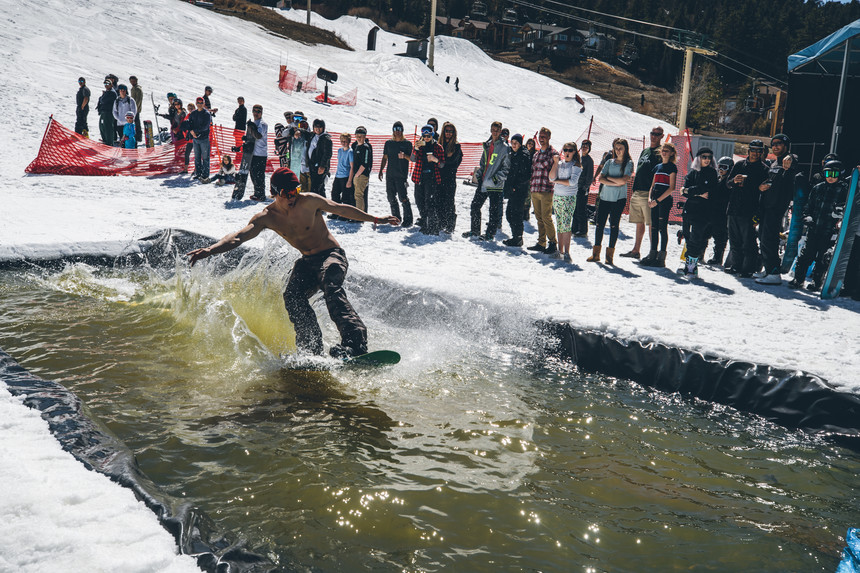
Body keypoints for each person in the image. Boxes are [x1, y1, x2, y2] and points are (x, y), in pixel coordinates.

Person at [187, 167, 401, 359]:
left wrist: (376, 219)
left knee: (331, 284)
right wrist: (210, 250)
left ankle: (355, 343)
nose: (293, 197)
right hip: (307, 261)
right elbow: (238, 237)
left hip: (331, 255)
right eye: (287, 193)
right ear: (274, 193)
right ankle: (311, 348)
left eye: (296, 191)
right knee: (292, 296)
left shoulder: (309, 201)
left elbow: (341, 208)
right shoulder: (266, 217)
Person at [788, 160, 850, 291]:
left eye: (834, 174)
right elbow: (808, 206)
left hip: (830, 231)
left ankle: (817, 282)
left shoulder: (844, 190)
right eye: (828, 173)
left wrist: (840, 221)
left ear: (839, 174)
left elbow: (847, 210)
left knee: (823, 257)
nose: (830, 177)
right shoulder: (818, 188)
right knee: (806, 255)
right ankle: (798, 279)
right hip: (814, 227)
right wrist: (807, 217)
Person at [755, 133, 797, 285]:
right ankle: (769, 268)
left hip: (776, 207)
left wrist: (791, 157)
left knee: (769, 238)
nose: (775, 146)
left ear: (786, 146)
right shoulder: (774, 163)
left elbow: (794, 161)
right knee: (763, 236)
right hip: (766, 206)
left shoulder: (788, 160)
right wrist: (761, 187)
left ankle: (774, 273)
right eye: (773, 144)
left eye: (779, 143)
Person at [725, 139, 769, 277]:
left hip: (749, 211)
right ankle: (736, 265)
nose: (755, 153)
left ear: (762, 153)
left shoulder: (764, 170)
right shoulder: (739, 164)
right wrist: (734, 181)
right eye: (753, 150)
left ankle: (748, 269)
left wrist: (758, 214)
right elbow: (728, 184)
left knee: (748, 242)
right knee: (734, 240)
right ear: (748, 151)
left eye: (759, 151)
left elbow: (765, 195)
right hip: (734, 208)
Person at [621, 126, 664, 259]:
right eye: (652, 133)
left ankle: (653, 252)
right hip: (637, 190)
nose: (654, 136)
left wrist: (654, 192)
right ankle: (636, 250)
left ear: (662, 136)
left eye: (657, 134)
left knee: (651, 224)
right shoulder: (645, 151)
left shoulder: (660, 152)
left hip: (648, 192)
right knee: (639, 222)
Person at [588, 138, 633, 264]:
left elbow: (624, 180)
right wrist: (615, 182)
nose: (618, 151)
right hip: (605, 197)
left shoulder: (628, 163)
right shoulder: (609, 162)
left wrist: (609, 179)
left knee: (614, 225)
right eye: (616, 148)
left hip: (618, 199)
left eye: (621, 148)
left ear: (625, 149)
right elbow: (601, 179)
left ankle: (609, 256)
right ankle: (596, 254)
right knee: (599, 225)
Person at [464, 121, 510, 241]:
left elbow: (506, 168)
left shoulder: (504, 148)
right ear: (490, 130)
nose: (495, 132)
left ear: (500, 131)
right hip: (484, 182)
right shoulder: (488, 145)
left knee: (493, 210)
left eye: (497, 130)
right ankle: (475, 230)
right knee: (475, 205)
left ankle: (490, 234)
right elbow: (483, 162)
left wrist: (495, 179)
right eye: (493, 130)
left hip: (495, 184)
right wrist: (479, 175)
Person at [677, 147, 718, 277]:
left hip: (702, 213)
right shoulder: (693, 172)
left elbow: (704, 189)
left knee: (696, 240)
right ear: (698, 158)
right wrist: (692, 192)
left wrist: (689, 191)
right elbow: (683, 190)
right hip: (689, 210)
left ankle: (692, 268)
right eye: (704, 157)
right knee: (687, 238)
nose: (707, 159)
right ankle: (688, 266)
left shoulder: (712, 173)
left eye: (709, 157)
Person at [640, 142, 677, 267]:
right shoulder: (657, 167)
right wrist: (650, 198)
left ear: (671, 153)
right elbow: (652, 185)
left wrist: (658, 200)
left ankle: (661, 258)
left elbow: (671, 188)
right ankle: (652, 254)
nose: (664, 153)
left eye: (667, 151)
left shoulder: (672, 167)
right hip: (654, 200)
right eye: (663, 150)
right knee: (654, 227)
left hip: (664, 201)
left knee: (662, 228)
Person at [528, 127, 559, 255]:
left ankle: (552, 242)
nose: (542, 139)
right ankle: (541, 243)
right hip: (535, 188)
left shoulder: (553, 153)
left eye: (544, 136)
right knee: (539, 217)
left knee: (546, 217)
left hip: (546, 189)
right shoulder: (536, 154)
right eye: (540, 136)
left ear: (549, 137)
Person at [548, 142, 582, 261]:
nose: (567, 152)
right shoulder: (560, 164)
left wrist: (557, 181)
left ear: (574, 152)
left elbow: (572, 182)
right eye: (565, 150)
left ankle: (567, 252)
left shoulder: (575, 165)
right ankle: (560, 251)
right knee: (560, 224)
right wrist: (555, 163)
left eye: (570, 150)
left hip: (568, 197)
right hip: (557, 196)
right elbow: (551, 177)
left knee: (566, 225)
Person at [411, 125, 445, 234]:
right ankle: (425, 223)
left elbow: (442, 164)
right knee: (419, 201)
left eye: (428, 136)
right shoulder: (419, 145)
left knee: (429, 202)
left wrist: (435, 160)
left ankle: (432, 226)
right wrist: (415, 149)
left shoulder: (438, 147)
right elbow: (412, 159)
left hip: (432, 178)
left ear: (432, 135)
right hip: (419, 177)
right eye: (424, 136)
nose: (426, 138)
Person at [379, 121, 414, 227]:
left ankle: (408, 220)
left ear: (402, 130)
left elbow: (413, 159)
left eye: (399, 129)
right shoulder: (388, 143)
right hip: (390, 174)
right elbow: (385, 157)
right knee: (391, 197)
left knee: (403, 198)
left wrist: (404, 156)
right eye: (395, 129)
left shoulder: (407, 144)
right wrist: (381, 170)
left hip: (401, 175)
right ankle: (396, 218)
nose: (397, 131)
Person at [503, 133, 532, 247]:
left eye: (516, 143)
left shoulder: (523, 155)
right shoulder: (514, 154)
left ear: (520, 144)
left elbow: (525, 175)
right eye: (512, 143)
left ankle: (518, 237)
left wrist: (516, 186)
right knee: (510, 214)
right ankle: (516, 236)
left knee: (516, 214)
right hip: (513, 190)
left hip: (519, 190)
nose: (514, 145)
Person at [703, 156, 733, 266]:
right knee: (705, 233)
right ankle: (700, 253)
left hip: (722, 213)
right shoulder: (717, 179)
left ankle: (718, 257)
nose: (721, 170)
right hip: (712, 211)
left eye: (724, 167)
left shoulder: (729, 182)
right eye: (719, 166)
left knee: (720, 236)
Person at [438, 121, 463, 234]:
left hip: (450, 177)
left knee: (449, 201)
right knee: (440, 200)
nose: (448, 133)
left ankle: (450, 224)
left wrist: (441, 161)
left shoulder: (456, 146)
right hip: (439, 177)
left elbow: (453, 160)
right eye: (447, 131)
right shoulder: (439, 144)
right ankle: (442, 222)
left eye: (451, 131)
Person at [231, 120, 262, 201]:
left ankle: (258, 193)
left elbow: (256, 139)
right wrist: (245, 141)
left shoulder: (257, 129)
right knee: (248, 173)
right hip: (249, 154)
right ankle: (242, 187)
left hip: (255, 155)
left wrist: (246, 144)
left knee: (254, 174)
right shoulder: (253, 130)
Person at [305, 118, 332, 197]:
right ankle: (322, 203)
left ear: (323, 128)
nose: (317, 129)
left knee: (316, 188)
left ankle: (317, 203)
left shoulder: (326, 139)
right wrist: (297, 131)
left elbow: (328, 154)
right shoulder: (313, 135)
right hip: (313, 165)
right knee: (319, 188)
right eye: (316, 127)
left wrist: (322, 166)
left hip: (320, 166)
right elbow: (304, 133)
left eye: (320, 127)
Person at [572, 139, 594, 237]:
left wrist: (585, 187)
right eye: (583, 146)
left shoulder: (589, 160)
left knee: (581, 209)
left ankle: (583, 230)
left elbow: (589, 176)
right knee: (575, 209)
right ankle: (574, 228)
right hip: (575, 187)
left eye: (586, 147)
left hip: (582, 188)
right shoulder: (579, 158)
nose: (584, 148)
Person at [188, 97, 212, 182]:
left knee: (205, 157)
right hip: (195, 139)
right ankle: (198, 173)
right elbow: (189, 123)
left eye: (201, 103)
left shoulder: (206, 114)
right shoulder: (193, 113)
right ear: (196, 103)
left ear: (204, 103)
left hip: (204, 138)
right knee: (197, 157)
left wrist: (195, 131)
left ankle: (205, 175)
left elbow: (205, 127)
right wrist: (191, 131)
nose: (199, 104)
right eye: (198, 103)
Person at [330, 132, 355, 216]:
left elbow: (352, 167)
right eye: (342, 141)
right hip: (338, 175)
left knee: (345, 197)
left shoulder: (350, 152)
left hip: (345, 176)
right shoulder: (340, 150)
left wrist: (349, 181)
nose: (343, 143)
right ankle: (335, 213)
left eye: (345, 141)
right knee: (334, 194)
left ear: (349, 141)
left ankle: (345, 215)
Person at [248, 104, 269, 201]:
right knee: (253, 174)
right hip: (253, 153)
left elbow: (258, 135)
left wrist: (251, 127)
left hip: (260, 154)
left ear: (261, 113)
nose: (256, 113)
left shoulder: (262, 124)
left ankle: (261, 194)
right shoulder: (255, 122)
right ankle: (257, 193)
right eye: (255, 111)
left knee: (259, 175)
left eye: (258, 111)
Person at [350, 126, 373, 212]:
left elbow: (365, 163)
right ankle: (360, 213)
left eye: (361, 136)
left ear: (364, 137)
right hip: (357, 174)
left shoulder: (366, 147)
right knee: (357, 195)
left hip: (361, 175)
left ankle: (359, 215)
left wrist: (357, 174)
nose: (359, 138)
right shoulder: (356, 146)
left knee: (359, 195)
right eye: (357, 136)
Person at [96, 78, 117, 146]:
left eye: (108, 83)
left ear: (111, 85)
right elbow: (101, 100)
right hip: (104, 111)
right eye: (105, 83)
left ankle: (109, 141)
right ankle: (105, 139)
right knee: (102, 126)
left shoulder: (112, 93)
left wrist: (102, 97)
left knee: (108, 127)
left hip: (109, 112)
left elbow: (104, 100)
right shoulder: (107, 92)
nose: (106, 85)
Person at [524, 138, 536, 221]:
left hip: (531, 177)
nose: (530, 145)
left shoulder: (534, 154)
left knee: (528, 196)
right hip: (522, 177)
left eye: (532, 144)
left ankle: (526, 213)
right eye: (529, 143)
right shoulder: (523, 152)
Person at [129, 76, 143, 143]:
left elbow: (138, 100)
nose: (132, 82)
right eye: (131, 81)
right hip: (133, 108)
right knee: (134, 122)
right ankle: (135, 135)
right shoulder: (133, 88)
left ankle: (139, 137)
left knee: (137, 123)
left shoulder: (138, 89)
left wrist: (135, 109)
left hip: (136, 109)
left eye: (133, 81)